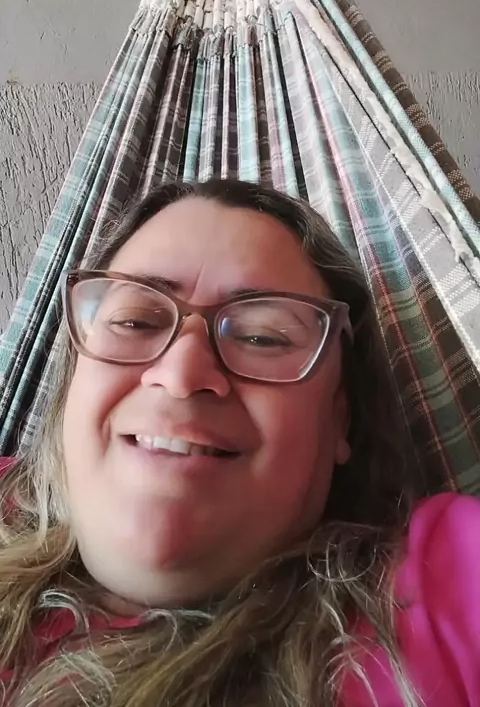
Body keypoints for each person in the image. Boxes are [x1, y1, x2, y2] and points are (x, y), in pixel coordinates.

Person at [0, 178, 478, 707]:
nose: (181, 375)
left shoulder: (446, 579)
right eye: (134, 321)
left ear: (340, 419)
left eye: (261, 337)